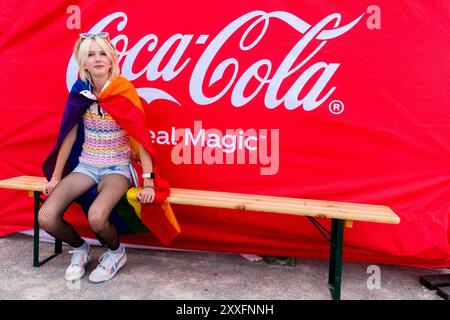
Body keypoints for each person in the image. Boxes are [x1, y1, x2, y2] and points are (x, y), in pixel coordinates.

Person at [38, 32, 165, 283]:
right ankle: (81, 249)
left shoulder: (123, 90)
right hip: (87, 164)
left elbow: (141, 138)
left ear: (112, 59)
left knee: (97, 217)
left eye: (103, 53)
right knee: (46, 218)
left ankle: (116, 252)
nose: (98, 59)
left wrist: (148, 181)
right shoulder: (79, 91)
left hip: (117, 168)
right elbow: (69, 136)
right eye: (91, 55)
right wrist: (55, 177)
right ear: (82, 62)